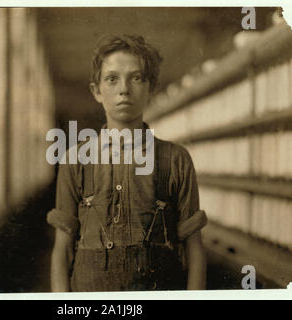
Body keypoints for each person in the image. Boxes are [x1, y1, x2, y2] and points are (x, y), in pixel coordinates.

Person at [47, 34, 207, 291]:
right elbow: (62, 250)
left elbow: (194, 249)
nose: (124, 89)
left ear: (151, 88)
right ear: (97, 91)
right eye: (112, 79)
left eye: (136, 78)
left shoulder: (176, 159)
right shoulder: (75, 159)